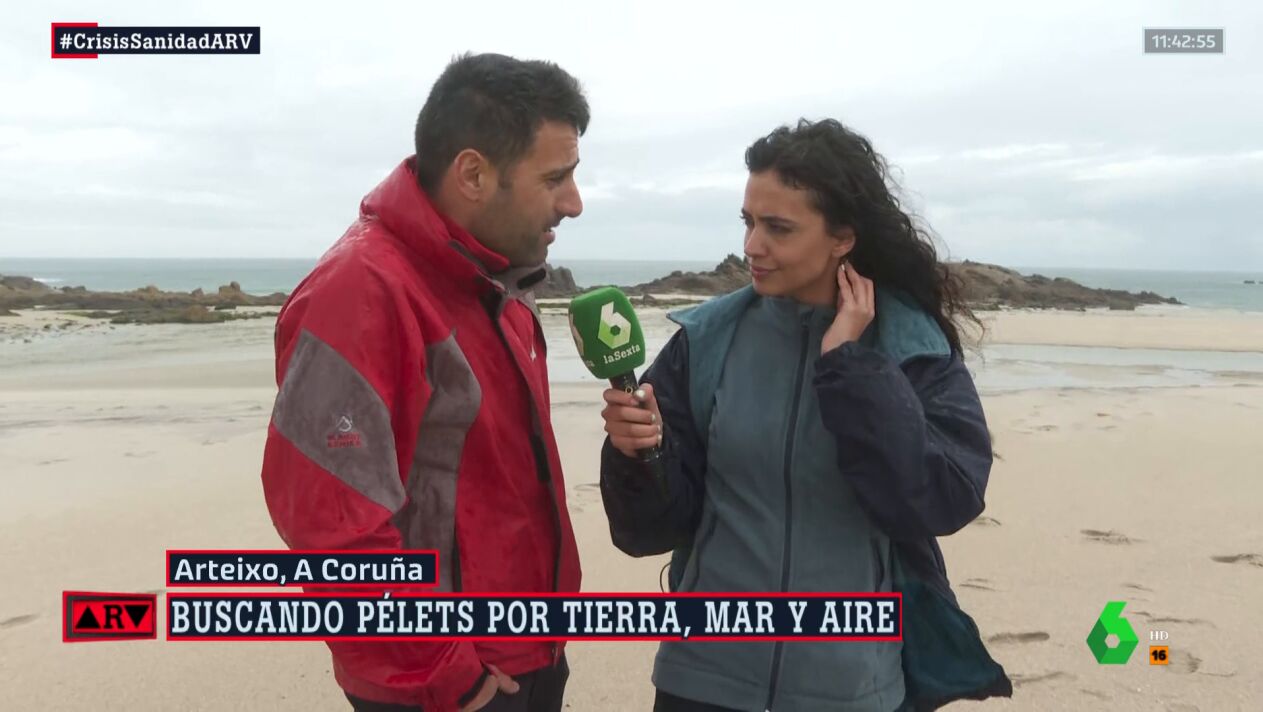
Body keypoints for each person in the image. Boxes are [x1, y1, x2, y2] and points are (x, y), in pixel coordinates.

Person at [598, 119, 1013, 711]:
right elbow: (647, 530)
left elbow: (943, 499)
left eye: (778, 227)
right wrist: (639, 452)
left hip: (853, 685)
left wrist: (849, 368)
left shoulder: (911, 347)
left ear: (842, 237)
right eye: (748, 222)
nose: (751, 246)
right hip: (703, 677)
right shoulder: (705, 340)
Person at [260, 53, 588, 712]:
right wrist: (443, 669)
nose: (573, 203)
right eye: (555, 178)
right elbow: (331, 527)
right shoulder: (360, 291)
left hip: (528, 650)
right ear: (473, 173)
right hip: (443, 683)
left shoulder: (500, 282)